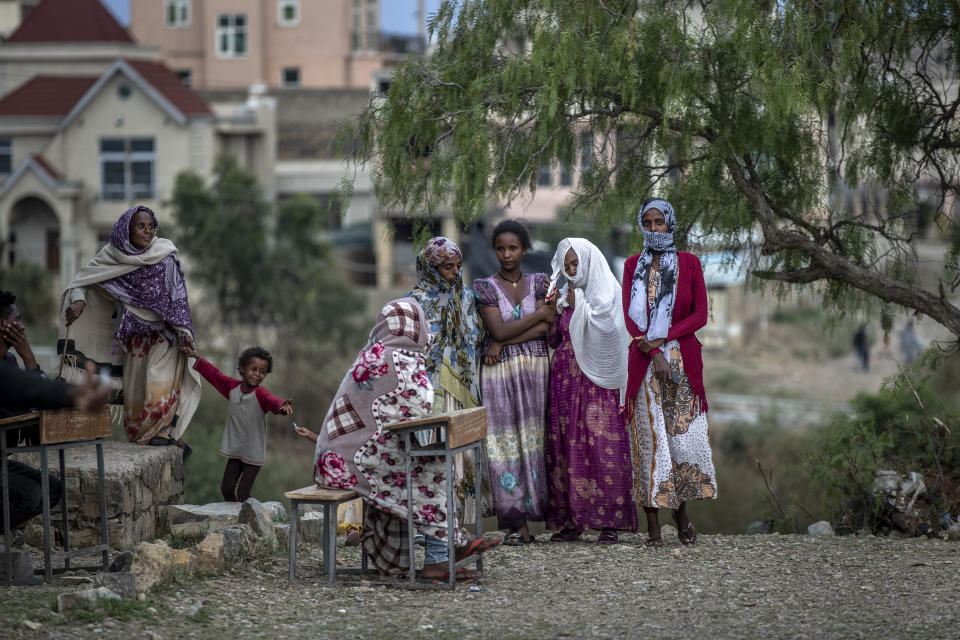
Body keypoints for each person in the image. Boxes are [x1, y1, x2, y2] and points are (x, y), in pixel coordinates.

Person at [303, 299, 499, 580]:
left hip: (338, 456)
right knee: (435, 471)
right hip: (349, 460)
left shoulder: (377, 352)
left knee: (429, 468)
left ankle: (447, 546)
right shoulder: (397, 360)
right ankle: (441, 556)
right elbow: (420, 406)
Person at [60, 205, 201, 460]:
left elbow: (178, 299)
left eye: (150, 226)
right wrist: (79, 301)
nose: (147, 232)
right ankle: (168, 443)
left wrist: (185, 333)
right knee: (135, 400)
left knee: (158, 385)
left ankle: (164, 435)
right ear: (127, 229)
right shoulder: (112, 256)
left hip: (167, 336)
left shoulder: (165, 255)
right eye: (140, 226)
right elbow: (81, 281)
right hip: (134, 338)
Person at [622, 199, 717, 547]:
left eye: (659, 221)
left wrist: (664, 339)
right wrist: (650, 349)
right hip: (644, 365)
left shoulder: (690, 263)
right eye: (646, 222)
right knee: (649, 445)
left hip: (681, 366)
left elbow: (700, 314)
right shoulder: (633, 264)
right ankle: (652, 530)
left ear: (670, 224)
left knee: (679, 447)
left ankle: (682, 519)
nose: (653, 228)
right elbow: (629, 318)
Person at [543, 239, 637, 544]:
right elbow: (555, 338)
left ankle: (608, 522)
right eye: (567, 266)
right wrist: (558, 307)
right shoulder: (563, 297)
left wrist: (577, 304)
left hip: (597, 385)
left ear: (589, 261)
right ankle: (571, 523)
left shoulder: (606, 293)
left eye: (576, 264)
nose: (572, 271)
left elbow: (611, 332)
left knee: (600, 447)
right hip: (565, 384)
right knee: (566, 449)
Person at [473, 220, 554, 545]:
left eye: (513, 248)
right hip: (499, 375)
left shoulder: (540, 282)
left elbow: (549, 331)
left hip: (536, 371)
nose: (507, 254)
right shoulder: (485, 287)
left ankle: (541, 518)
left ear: (524, 249)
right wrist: (535, 318)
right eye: (501, 248)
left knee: (536, 441)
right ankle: (514, 523)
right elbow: (500, 330)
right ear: (494, 250)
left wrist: (504, 341)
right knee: (504, 443)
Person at [407, 237, 490, 524]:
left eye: (457, 266)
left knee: (460, 450)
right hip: (429, 388)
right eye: (446, 267)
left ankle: (455, 522)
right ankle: (430, 519)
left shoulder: (467, 297)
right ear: (431, 267)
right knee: (432, 450)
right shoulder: (415, 300)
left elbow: (476, 338)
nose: (455, 272)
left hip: (462, 388)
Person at [179, 344, 293, 502]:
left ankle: (250, 523)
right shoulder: (232, 387)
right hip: (236, 450)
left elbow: (272, 400)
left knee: (243, 494)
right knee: (226, 488)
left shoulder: (260, 394)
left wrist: (282, 406)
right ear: (241, 368)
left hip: (253, 452)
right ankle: (235, 519)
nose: (257, 374)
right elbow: (215, 375)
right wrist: (195, 357)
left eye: (262, 372)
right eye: (253, 369)